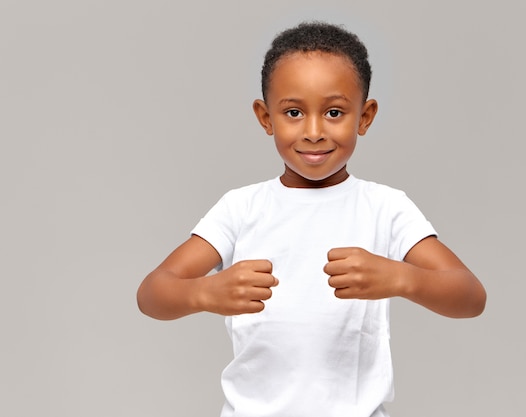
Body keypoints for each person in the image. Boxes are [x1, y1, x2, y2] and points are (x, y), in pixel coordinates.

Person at [137, 21, 486, 417]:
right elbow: (152, 293)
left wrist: (402, 278)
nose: (315, 131)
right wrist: (204, 293)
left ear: (365, 117)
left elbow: (470, 295)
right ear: (266, 117)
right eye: (294, 112)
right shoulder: (241, 208)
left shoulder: (385, 208)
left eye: (334, 112)